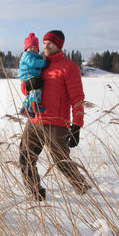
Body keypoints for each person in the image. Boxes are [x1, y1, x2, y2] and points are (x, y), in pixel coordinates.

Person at [19, 30, 91, 201]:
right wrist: (28, 84)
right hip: (34, 120)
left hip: (56, 124)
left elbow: (77, 98)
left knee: (61, 161)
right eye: (44, 43)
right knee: (25, 157)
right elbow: (25, 89)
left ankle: (83, 188)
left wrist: (77, 125)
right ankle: (35, 191)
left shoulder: (69, 67)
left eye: (50, 43)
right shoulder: (39, 63)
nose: (45, 46)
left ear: (59, 45)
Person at [17, 33, 48, 117]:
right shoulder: (27, 55)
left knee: (30, 92)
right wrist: (44, 63)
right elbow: (33, 63)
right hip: (27, 75)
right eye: (30, 47)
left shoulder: (35, 56)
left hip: (30, 75)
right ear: (26, 49)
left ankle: (25, 108)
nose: (32, 49)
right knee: (36, 88)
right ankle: (34, 105)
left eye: (34, 48)